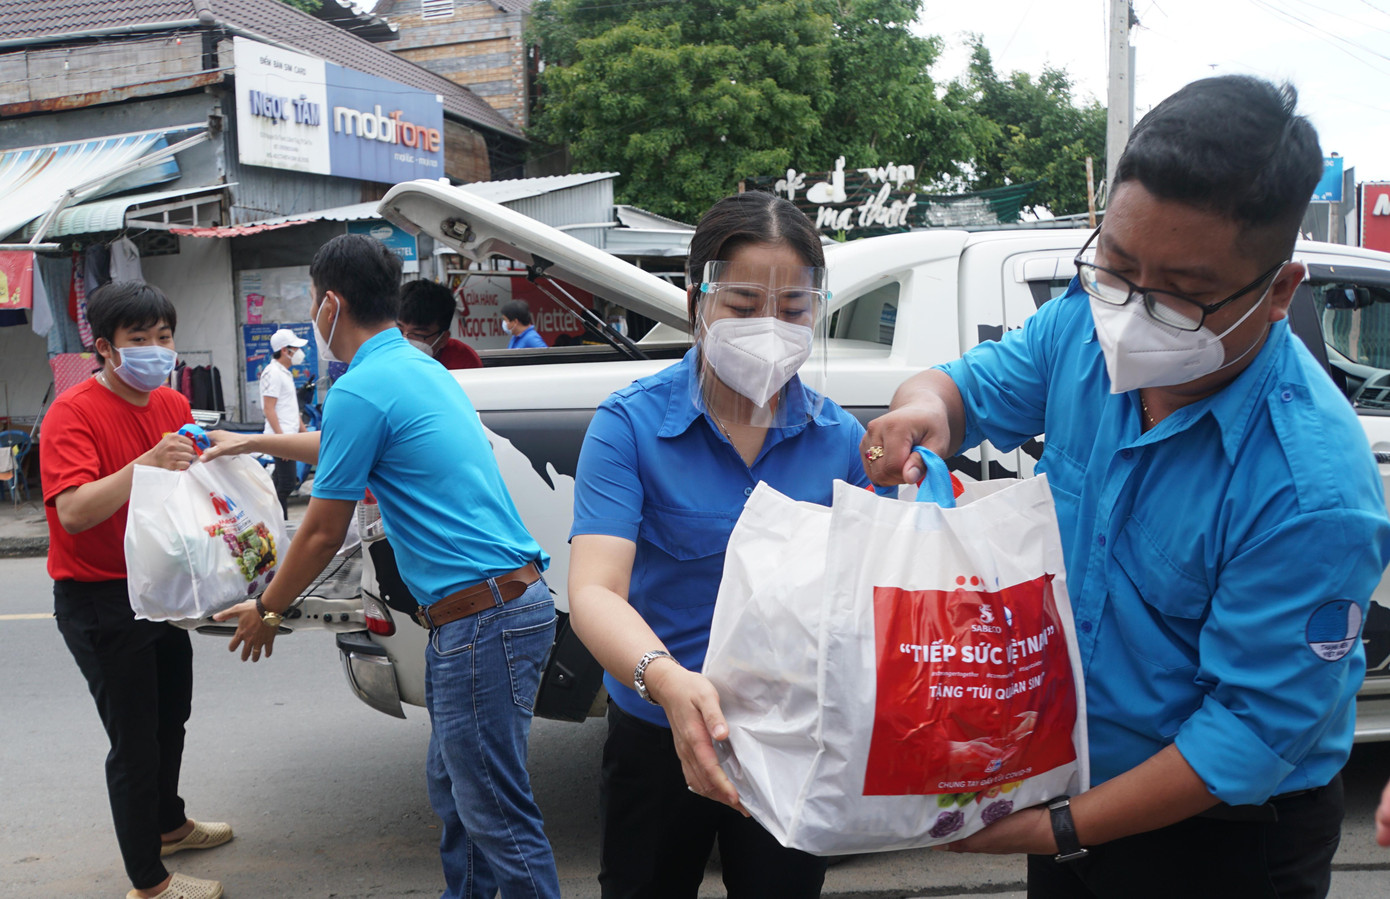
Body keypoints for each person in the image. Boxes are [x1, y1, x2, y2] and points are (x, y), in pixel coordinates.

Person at [861, 76, 1390, 898]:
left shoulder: (1308, 487)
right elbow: (971, 385)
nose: (1134, 310)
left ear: (1279, 293)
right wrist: (925, 408)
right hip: (1065, 777)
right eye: (1115, 264)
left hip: (1224, 838)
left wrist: (1058, 830)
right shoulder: (1085, 326)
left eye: (1182, 292)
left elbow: (1247, 732)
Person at [206, 234, 560, 899]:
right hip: (501, 607)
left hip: (481, 619)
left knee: (494, 813)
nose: (313, 315)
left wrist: (269, 610)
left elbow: (318, 532)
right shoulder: (416, 366)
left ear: (331, 302)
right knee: (458, 793)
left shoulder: (362, 387)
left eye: (314, 300)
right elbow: (344, 440)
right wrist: (254, 439)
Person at [568, 191, 889, 898]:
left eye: (795, 310)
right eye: (744, 307)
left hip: (790, 741)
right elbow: (594, 589)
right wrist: (666, 677)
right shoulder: (629, 427)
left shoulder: (843, 443)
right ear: (697, 301)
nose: (770, 327)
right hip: (656, 730)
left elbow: (878, 598)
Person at [41, 281, 232, 899]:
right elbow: (73, 513)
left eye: (164, 337)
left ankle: (169, 825)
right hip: (98, 597)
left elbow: (184, 499)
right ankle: (148, 882)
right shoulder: (71, 413)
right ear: (104, 348)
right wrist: (144, 463)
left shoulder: (172, 403)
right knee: (134, 742)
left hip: (160, 588)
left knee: (170, 716)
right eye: (140, 340)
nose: (157, 349)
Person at [260, 327, 307, 518]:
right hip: (281, 437)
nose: (299, 352)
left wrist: (304, 431)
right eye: (295, 348)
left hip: (288, 436)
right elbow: (269, 408)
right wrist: (281, 440)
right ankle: (274, 516)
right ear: (284, 350)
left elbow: (290, 409)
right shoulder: (273, 373)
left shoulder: (284, 373)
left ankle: (279, 519)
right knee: (287, 484)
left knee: (280, 482)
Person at [398, 278, 483, 370]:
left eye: (417, 334)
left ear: (443, 339)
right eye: (397, 330)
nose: (404, 340)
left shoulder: (463, 363)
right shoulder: (382, 355)